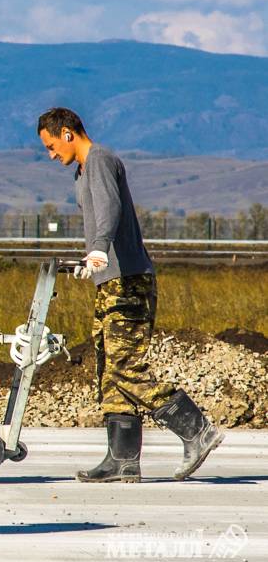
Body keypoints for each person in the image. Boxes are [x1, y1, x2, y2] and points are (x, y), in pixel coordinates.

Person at [37, 107, 223, 483]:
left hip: (129, 281)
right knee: (109, 368)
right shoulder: (82, 171)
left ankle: (197, 429)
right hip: (110, 280)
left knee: (126, 367)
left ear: (68, 134)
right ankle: (122, 460)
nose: (51, 154)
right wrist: (90, 259)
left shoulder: (101, 160)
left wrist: (100, 246)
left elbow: (110, 209)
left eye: (52, 145)